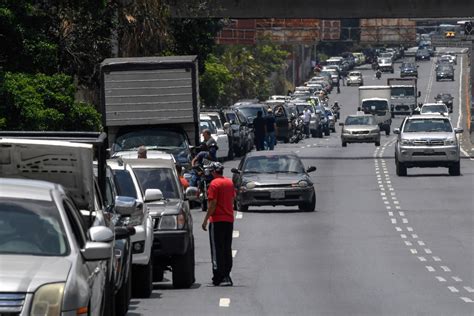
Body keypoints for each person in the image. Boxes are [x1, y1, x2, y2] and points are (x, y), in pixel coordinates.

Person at [201, 162, 236, 286]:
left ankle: (219, 276)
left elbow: (213, 204)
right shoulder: (229, 183)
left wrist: (205, 220)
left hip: (217, 220)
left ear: (214, 172)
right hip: (228, 220)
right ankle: (226, 274)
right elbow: (232, 200)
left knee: (217, 249)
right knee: (226, 248)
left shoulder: (214, 184)